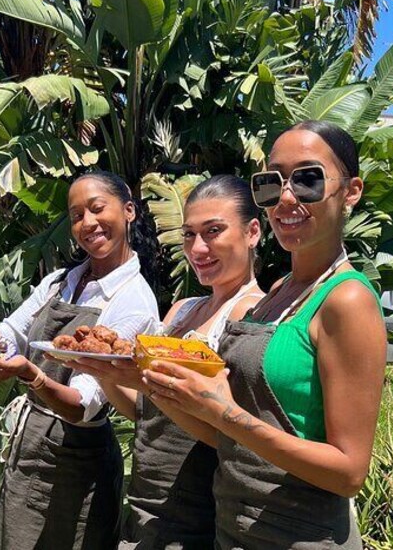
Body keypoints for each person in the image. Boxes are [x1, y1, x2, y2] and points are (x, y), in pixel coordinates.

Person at [142, 121, 387, 549]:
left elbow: (349, 473)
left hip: (300, 535)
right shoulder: (278, 293)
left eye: (308, 179)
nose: (286, 198)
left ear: (351, 191)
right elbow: (231, 438)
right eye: (271, 183)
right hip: (234, 528)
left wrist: (222, 413)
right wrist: (161, 389)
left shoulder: (346, 300)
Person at [65, 175, 264, 549]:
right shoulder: (181, 310)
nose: (198, 247)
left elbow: (233, 437)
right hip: (144, 508)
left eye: (213, 231)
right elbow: (144, 414)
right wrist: (102, 370)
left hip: (198, 517)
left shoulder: (254, 318)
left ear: (252, 232)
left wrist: (150, 384)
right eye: (189, 234)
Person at [0, 171, 160, 550]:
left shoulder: (133, 302)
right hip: (30, 444)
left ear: (128, 211)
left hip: (76, 459)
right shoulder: (61, 281)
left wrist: (29, 374)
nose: (87, 223)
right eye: (76, 216)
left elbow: (82, 406)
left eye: (96, 208)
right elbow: (12, 331)